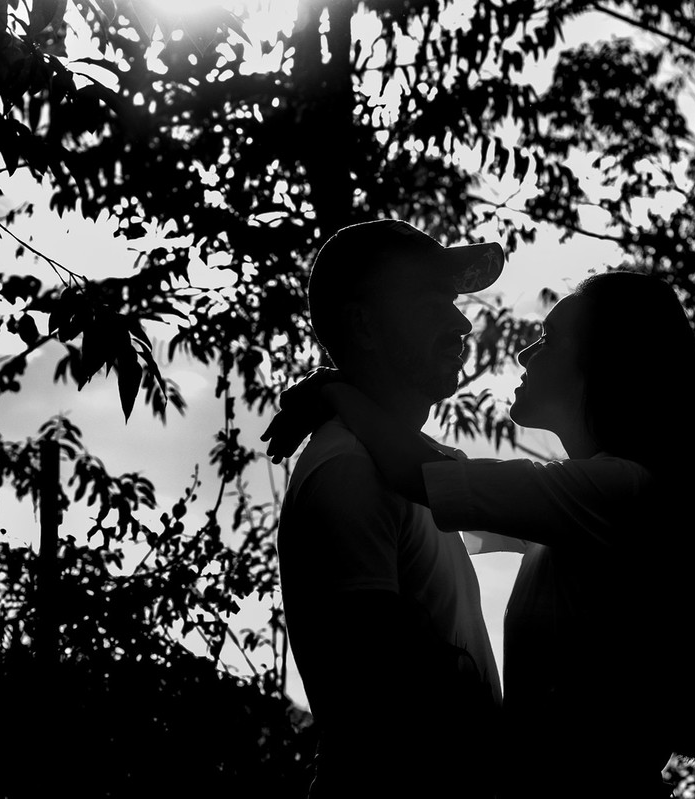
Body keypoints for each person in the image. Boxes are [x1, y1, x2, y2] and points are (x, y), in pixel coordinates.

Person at [264, 271, 695, 798]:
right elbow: (448, 476)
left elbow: (422, 476)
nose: (526, 354)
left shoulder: (619, 494)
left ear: (605, 363)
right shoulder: (580, 506)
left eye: (549, 339)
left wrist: (335, 393)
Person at [273, 219, 507, 797]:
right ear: (364, 327)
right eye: (431, 306)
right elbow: (379, 692)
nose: (461, 323)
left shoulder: (418, 468)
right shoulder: (349, 470)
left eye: (454, 304)